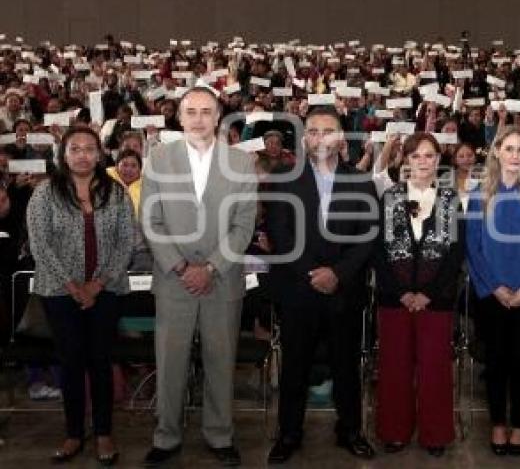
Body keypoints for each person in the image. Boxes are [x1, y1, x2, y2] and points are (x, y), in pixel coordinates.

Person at [140, 87, 257, 467]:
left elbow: (243, 225)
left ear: (219, 115)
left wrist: (209, 268)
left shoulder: (240, 162)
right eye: (191, 111)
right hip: (173, 282)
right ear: (179, 116)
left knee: (220, 362)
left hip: (221, 281)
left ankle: (220, 435)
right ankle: (166, 435)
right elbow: (151, 221)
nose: (198, 119)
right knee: (170, 362)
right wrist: (181, 267)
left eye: (206, 111)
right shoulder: (158, 158)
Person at [265, 106, 378, 464]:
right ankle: (289, 433)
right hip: (299, 290)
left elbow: (368, 237)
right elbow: (280, 235)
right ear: (304, 138)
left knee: (347, 367)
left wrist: (338, 275)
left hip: (344, 292)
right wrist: (314, 274)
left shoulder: (361, 182)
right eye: (313, 131)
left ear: (341, 137)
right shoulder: (284, 177)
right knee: (295, 366)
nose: (320, 138)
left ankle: (350, 431)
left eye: (328, 130)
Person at [25, 127, 135, 465]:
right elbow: (39, 245)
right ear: (64, 154)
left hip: (107, 290)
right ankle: (74, 433)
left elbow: (126, 242)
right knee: (71, 362)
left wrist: (97, 284)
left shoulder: (115, 193)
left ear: (101, 154)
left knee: (100, 360)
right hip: (59, 293)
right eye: (75, 149)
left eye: (90, 149)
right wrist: (74, 287)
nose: (83, 155)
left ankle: (103, 433)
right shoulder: (44, 193)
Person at [466, 125, 520, 457]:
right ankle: (498, 424)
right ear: (497, 152)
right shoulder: (479, 193)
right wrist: (494, 287)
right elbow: (473, 247)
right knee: (496, 362)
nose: (516, 155)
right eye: (510, 149)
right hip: (491, 294)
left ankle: (519, 424)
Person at [373, 132, 464, 457]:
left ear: (438, 160)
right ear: (406, 161)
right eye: (416, 156)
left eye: (429, 155)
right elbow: (379, 252)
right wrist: (401, 293)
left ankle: (435, 434)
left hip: (435, 301)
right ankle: (394, 431)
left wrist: (427, 293)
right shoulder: (389, 199)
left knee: (434, 369)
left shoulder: (451, 201)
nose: (423, 162)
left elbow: (456, 255)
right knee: (394, 366)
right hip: (393, 300)